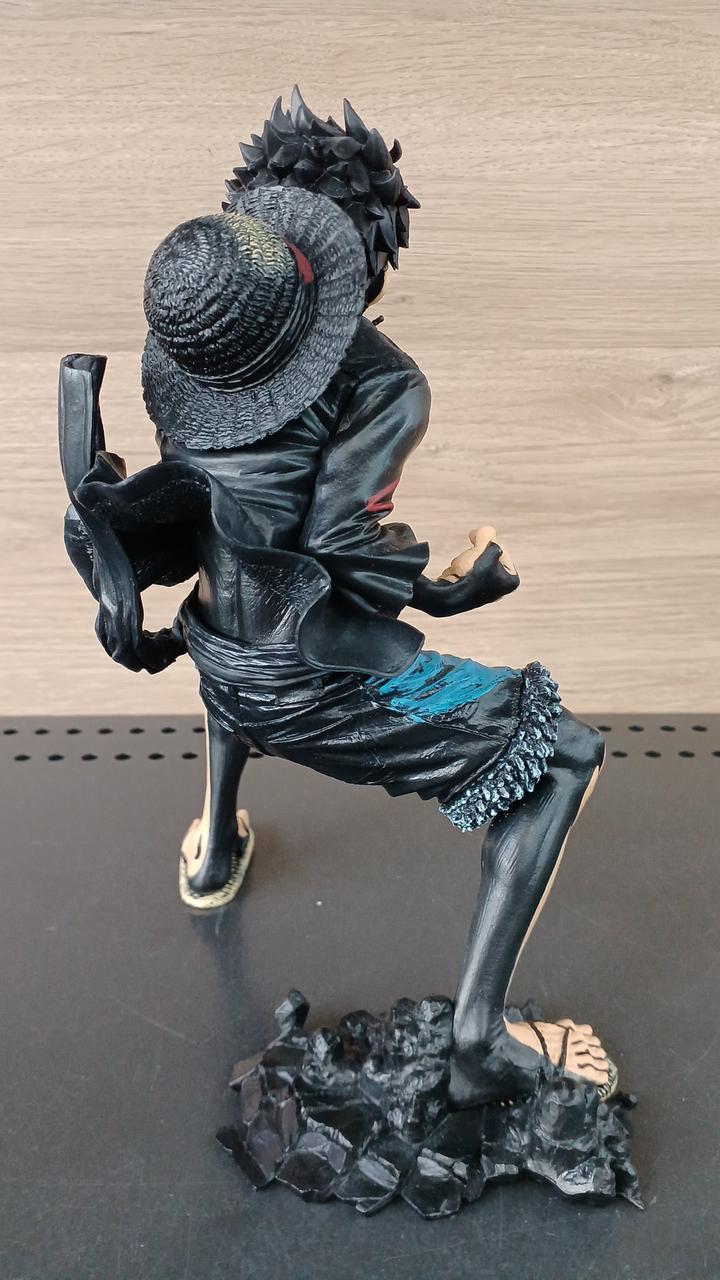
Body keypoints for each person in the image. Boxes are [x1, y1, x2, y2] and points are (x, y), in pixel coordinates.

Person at [60, 90, 614, 1107]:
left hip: (216, 654)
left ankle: (214, 850)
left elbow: (229, 531)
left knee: (236, 617)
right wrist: (447, 590)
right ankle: (479, 1042)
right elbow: (341, 550)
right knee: (565, 755)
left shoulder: (193, 351)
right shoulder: (383, 382)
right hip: (313, 680)